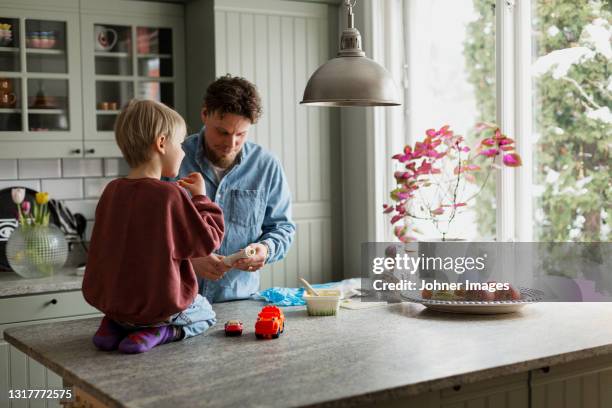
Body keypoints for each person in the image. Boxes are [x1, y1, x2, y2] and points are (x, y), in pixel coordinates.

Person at [82, 99, 225, 354]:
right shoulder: (169, 195)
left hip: (116, 305)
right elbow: (208, 240)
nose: (183, 152)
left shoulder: (112, 191)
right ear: (161, 143)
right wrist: (202, 198)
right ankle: (161, 331)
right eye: (179, 144)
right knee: (206, 312)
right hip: (160, 308)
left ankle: (113, 327)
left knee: (129, 308)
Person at [177, 75, 296, 303]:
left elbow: (282, 228)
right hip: (181, 302)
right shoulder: (175, 159)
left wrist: (266, 249)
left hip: (240, 302)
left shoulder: (266, 165)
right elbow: (151, 231)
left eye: (240, 134)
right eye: (222, 132)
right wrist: (187, 258)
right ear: (204, 115)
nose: (230, 144)